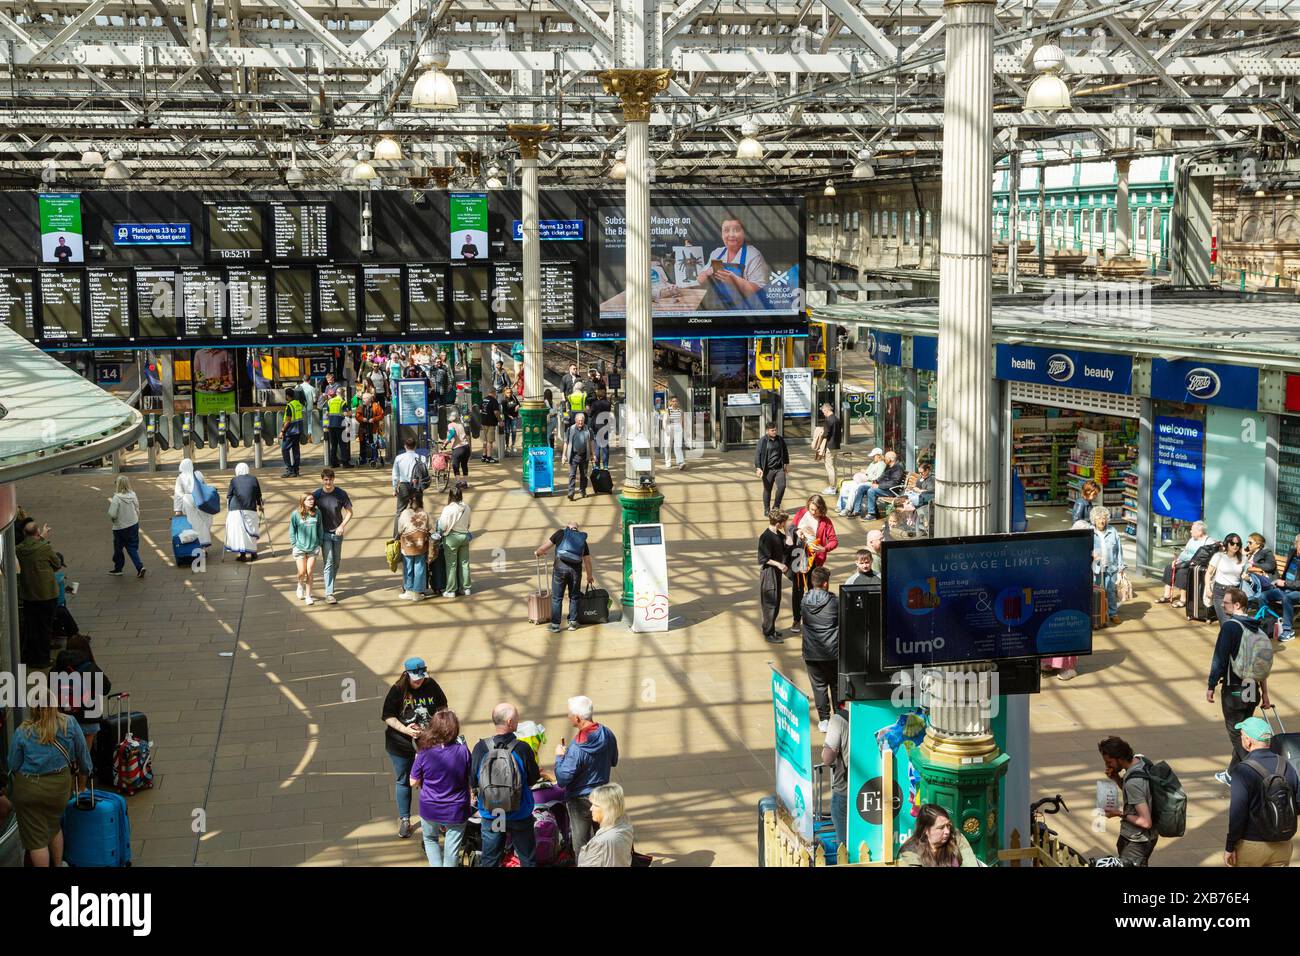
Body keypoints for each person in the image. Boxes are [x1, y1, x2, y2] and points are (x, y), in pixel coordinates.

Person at [6, 699, 92, 867]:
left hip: (29, 789)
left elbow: (13, 764)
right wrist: (85, 773)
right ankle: (59, 864)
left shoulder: (23, 730)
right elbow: (83, 754)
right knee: (53, 825)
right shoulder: (69, 723)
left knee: (36, 840)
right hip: (59, 788)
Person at [1208, 587, 1271, 786]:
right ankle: (1231, 774)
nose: (1222, 605)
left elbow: (1219, 659)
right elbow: (1260, 666)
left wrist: (1211, 685)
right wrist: (1266, 695)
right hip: (1253, 690)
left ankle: (1262, 777)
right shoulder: (1257, 628)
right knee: (1243, 730)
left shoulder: (1230, 627)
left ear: (1237, 605)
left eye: (1226, 602)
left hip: (1235, 689)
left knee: (1238, 735)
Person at [382, 657, 449, 840]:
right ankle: (405, 819)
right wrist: (406, 730)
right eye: (415, 678)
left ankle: (438, 817)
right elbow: (387, 716)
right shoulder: (397, 691)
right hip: (400, 744)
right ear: (407, 674)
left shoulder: (431, 685)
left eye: (421, 677)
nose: (419, 681)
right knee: (404, 779)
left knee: (431, 781)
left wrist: (434, 728)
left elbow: (443, 709)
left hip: (429, 744)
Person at [470, 703, 542, 867]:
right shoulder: (523, 748)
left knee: (491, 859)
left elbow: (473, 780)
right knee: (527, 859)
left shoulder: (481, 748)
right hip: (519, 814)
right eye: (517, 717)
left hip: (494, 813)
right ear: (510, 722)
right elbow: (532, 779)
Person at [1224, 716, 1300, 867]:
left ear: (1248, 741)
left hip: (1251, 846)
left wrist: (1230, 846)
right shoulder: (1286, 765)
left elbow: (1237, 813)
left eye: (1242, 736)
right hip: (1282, 846)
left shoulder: (1242, 770)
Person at [554, 695, 620, 860]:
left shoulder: (577, 748)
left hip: (579, 801)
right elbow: (614, 761)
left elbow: (562, 779)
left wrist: (560, 757)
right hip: (603, 797)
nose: (568, 717)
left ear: (577, 717)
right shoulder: (607, 733)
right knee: (604, 841)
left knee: (581, 845)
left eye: (569, 714)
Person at [411, 709, 472, 867]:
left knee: (430, 839)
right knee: (452, 847)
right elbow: (470, 776)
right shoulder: (463, 751)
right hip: (457, 807)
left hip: (430, 806)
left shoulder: (424, 752)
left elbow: (413, 782)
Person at [1098, 736, 1158, 866]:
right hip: (1147, 836)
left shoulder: (1133, 782)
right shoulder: (1141, 761)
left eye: (1109, 762)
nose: (1107, 766)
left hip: (1136, 841)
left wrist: (1118, 813)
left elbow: (1146, 822)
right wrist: (1116, 778)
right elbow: (1137, 794)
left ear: (1120, 759)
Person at [697, 214, 772, 310]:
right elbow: (700, 279)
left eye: (736, 230)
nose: (731, 235)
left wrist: (734, 281)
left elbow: (761, 292)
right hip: (716, 309)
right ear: (722, 234)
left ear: (744, 233)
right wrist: (706, 273)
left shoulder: (753, 255)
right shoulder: (717, 253)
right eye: (726, 230)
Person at [788, 494, 838, 635]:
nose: (813, 512)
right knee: (797, 589)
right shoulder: (802, 513)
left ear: (821, 509)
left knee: (813, 589)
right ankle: (797, 619)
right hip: (799, 556)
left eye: (816, 510)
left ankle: (811, 620)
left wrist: (824, 548)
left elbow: (834, 541)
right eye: (811, 509)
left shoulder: (826, 522)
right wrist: (797, 531)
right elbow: (791, 527)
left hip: (815, 560)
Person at [536, 521, 595, 632]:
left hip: (559, 570)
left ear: (567, 527)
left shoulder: (560, 533)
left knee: (557, 598)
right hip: (575, 572)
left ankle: (555, 625)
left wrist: (539, 552)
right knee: (574, 596)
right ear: (577, 529)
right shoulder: (582, 540)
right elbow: (587, 561)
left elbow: (544, 548)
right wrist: (589, 576)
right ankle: (573, 623)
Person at [801, 566, 840, 733]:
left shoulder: (804, 601)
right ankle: (840, 716)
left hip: (811, 651)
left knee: (819, 687)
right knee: (836, 685)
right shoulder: (834, 602)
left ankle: (824, 719)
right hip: (832, 651)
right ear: (825, 584)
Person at [16, 518, 59, 668]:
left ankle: (30, 657)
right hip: (46, 594)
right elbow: (57, 563)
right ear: (37, 532)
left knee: (32, 627)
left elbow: (30, 547)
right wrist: (44, 540)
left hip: (28, 594)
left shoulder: (19, 549)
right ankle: (43, 659)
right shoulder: (44, 548)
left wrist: (41, 538)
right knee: (45, 628)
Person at [312, 468, 353, 605]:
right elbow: (308, 508)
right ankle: (329, 593)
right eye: (325, 480)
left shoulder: (341, 494)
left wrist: (342, 526)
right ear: (322, 480)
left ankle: (331, 583)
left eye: (330, 479)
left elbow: (349, 512)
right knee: (328, 561)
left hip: (337, 532)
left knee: (336, 562)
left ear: (333, 479)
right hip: (324, 533)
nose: (328, 482)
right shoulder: (317, 494)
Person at [898, 804, 980, 867]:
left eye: (948, 825)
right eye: (941, 828)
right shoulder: (911, 852)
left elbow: (970, 862)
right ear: (925, 830)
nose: (947, 831)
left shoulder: (955, 836)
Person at [577, 783, 634, 867]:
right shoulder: (624, 823)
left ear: (608, 809)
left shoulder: (601, 842)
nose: (591, 808)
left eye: (596, 805)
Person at [1160, 520, 1213, 607]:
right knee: (1169, 568)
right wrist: (1177, 561)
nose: (1190, 531)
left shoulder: (1208, 541)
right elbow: (1185, 552)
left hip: (1196, 565)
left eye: (1192, 530)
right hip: (1185, 562)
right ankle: (1167, 595)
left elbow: (1208, 556)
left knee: (1182, 572)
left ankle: (1183, 599)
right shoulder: (1192, 540)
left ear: (1200, 532)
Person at [758, 510, 791, 644]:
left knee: (776, 601)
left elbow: (788, 546)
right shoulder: (766, 537)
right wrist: (779, 565)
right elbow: (763, 558)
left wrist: (788, 532)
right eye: (784, 523)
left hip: (775, 572)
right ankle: (768, 632)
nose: (785, 524)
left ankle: (770, 628)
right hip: (769, 573)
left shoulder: (778, 534)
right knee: (770, 603)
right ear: (778, 524)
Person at [822, 703, 851, 852]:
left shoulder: (839, 720)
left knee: (844, 845)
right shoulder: (879, 710)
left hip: (845, 789)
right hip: (875, 787)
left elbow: (827, 758)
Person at [1090, 506, 1124, 627]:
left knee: (1110, 591)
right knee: (1097, 593)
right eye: (1098, 518)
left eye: (1104, 518)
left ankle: (1112, 614)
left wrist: (1121, 569)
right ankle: (1097, 616)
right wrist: (1091, 555)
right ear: (1094, 520)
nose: (1102, 521)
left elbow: (1119, 550)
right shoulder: (1090, 532)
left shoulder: (1113, 531)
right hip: (1096, 569)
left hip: (1111, 567)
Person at [106, 475, 146, 578]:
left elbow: (112, 514)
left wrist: (114, 521)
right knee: (132, 547)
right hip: (133, 524)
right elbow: (137, 508)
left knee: (118, 548)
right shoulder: (133, 494)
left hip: (120, 527)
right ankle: (139, 567)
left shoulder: (117, 498)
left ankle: (118, 568)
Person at [438, 486, 472, 598]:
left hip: (451, 539)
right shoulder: (467, 507)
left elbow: (442, 525)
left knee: (451, 565)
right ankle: (466, 588)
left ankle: (451, 590)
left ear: (450, 496)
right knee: (464, 563)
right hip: (464, 537)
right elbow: (468, 524)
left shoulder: (448, 509)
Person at [1204, 533, 1246, 625]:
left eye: (1238, 544)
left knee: (1235, 622)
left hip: (1236, 592)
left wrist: (1246, 575)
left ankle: (1230, 639)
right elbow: (1208, 573)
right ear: (1227, 543)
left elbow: (1244, 572)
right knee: (1225, 622)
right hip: (1220, 592)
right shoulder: (1218, 556)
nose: (1235, 546)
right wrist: (1208, 589)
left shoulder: (1243, 559)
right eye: (1232, 543)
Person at [224, 463, 263, 562]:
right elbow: (258, 495)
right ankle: (253, 553)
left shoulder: (234, 480)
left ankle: (243, 555)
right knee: (252, 530)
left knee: (241, 532)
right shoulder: (254, 479)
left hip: (235, 510)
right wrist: (260, 505)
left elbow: (229, 495)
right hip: (250, 508)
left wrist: (228, 508)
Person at [851, 451, 906, 520]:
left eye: (886, 457)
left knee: (871, 491)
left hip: (891, 491)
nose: (884, 459)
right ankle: (856, 510)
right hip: (883, 488)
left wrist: (879, 486)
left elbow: (893, 483)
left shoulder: (898, 468)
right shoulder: (888, 467)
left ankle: (872, 514)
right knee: (862, 488)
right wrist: (875, 482)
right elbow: (882, 477)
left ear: (891, 459)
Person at [391, 437, 428, 537]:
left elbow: (395, 474)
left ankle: (396, 537)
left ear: (405, 446)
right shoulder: (422, 458)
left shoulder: (399, 458)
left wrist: (394, 488)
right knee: (419, 510)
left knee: (400, 512)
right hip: (417, 486)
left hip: (404, 486)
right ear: (415, 446)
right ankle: (420, 533)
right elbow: (425, 472)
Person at [289, 492, 322, 605]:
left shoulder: (317, 513)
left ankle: (308, 596)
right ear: (303, 501)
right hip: (300, 548)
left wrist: (319, 542)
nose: (311, 501)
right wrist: (294, 543)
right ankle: (299, 584)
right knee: (302, 572)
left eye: (312, 499)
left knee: (310, 572)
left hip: (313, 547)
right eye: (308, 500)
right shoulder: (295, 514)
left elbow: (320, 528)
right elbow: (292, 530)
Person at [397, 493, 431, 601]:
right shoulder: (425, 514)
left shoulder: (405, 513)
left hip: (407, 545)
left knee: (408, 568)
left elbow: (399, 529)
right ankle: (417, 593)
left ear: (409, 501)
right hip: (421, 546)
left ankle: (408, 591)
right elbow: (430, 528)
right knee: (419, 568)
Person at [173, 458, 214, 548]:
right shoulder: (198, 474)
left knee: (193, 524)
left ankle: (195, 546)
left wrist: (177, 510)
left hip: (188, 501)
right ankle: (204, 547)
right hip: (200, 499)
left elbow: (178, 494)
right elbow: (204, 487)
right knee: (203, 523)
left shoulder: (180, 478)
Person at [1269, 532, 1300, 642]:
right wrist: (1278, 582)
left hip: (1296, 590)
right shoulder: (1292, 552)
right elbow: (1287, 572)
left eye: (1298, 543)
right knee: (1264, 596)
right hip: (1285, 587)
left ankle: (1287, 630)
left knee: (1288, 598)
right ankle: (1268, 625)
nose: (1296, 545)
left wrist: (1285, 583)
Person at [754, 421, 790, 514]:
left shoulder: (780, 439)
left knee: (782, 486)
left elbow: (785, 452)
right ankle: (766, 509)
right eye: (772, 430)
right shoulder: (763, 441)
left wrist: (786, 463)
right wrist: (758, 467)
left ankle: (776, 506)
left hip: (779, 468)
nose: (774, 432)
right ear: (767, 431)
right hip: (768, 469)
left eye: (775, 430)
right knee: (767, 489)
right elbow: (757, 455)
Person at [563, 410, 594, 500]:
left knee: (584, 475)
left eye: (582, 420)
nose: (580, 422)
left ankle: (582, 491)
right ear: (575, 421)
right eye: (579, 420)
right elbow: (566, 442)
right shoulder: (570, 429)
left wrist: (593, 454)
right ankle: (571, 492)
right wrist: (564, 455)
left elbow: (591, 442)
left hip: (585, 455)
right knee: (572, 474)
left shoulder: (588, 429)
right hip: (573, 456)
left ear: (584, 421)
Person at [816, 401, 842, 495]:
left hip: (829, 447)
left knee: (830, 468)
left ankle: (832, 487)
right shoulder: (837, 419)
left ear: (827, 410)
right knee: (834, 467)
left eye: (823, 412)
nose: (823, 414)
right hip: (836, 446)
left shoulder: (828, 420)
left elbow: (825, 434)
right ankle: (834, 486)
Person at [279, 386, 305, 477]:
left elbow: (288, 420)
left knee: (284, 449)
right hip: (298, 431)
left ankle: (289, 470)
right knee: (296, 451)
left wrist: (282, 431)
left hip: (290, 431)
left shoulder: (289, 406)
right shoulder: (298, 404)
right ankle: (296, 471)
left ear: (287, 396)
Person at [355, 389, 385, 467]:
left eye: (365, 398)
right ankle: (363, 458)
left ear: (370, 399)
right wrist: (362, 419)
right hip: (363, 429)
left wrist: (374, 419)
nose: (363, 399)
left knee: (373, 444)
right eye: (363, 398)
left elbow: (381, 415)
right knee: (363, 444)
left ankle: (374, 458)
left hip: (373, 429)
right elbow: (357, 416)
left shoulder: (376, 406)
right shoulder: (360, 406)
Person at [588, 388, 614, 470]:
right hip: (605, 426)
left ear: (598, 396)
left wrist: (588, 411)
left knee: (597, 447)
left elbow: (590, 414)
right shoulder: (608, 403)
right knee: (605, 447)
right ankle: (606, 465)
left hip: (596, 427)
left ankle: (597, 465)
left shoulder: (595, 404)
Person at [444, 409, 471, 483]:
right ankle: (465, 482)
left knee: (455, 465)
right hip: (466, 447)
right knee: (464, 465)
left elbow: (452, 433)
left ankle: (458, 482)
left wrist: (445, 443)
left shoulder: (450, 425)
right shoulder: (460, 424)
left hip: (458, 448)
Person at [662, 395, 686, 470]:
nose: (675, 402)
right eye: (673, 401)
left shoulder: (680, 411)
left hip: (678, 428)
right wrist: (666, 430)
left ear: (678, 402)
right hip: (669, 428)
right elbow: (664, 421)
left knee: (678, 446)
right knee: (668, 446)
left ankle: (681, 462)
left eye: (676, 401)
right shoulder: (667, 410)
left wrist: (682, 429)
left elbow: (682, 421)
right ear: (670, 402)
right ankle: (668, 462)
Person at [478, 387, 500, 464]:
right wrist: (500, 421)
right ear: (494, 392)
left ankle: (484, 456)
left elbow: (480, 410)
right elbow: (496, 412)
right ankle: (489, 457)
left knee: (485, 440)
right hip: (491, 423)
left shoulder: (483, 399)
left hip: (483, 422)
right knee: (489, 441)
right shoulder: (494, 401)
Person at [500, 386, 521, 458]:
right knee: (507, 432)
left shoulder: (514, 397)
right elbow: (503, 411)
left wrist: (517, 408)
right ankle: (507, 445)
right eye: (508, 393)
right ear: (505, 393)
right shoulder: (503, 400)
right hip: (507, 418)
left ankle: (513, 444)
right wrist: (509, 416)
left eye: (510, 392)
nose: (509, 394)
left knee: (514, 431)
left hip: (514, 417)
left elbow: (519, 404)